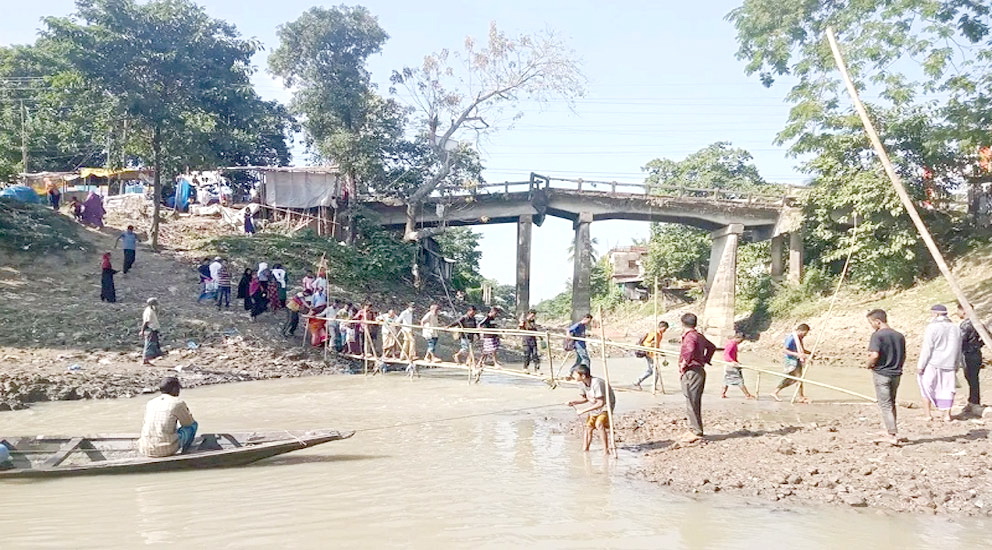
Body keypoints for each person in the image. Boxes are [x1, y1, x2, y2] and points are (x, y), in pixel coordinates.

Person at [866, 309, 905, 445]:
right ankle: (890, 429)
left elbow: (874, 355)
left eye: (871, 323)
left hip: (882, 373)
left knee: (885, 404)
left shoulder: (877, 336)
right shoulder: (899, 336)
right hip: (896, 373)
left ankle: (892, 434)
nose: (871, 326)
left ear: (878, 321)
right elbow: (903, 355)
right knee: (891, 402)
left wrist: (868, 364)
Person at [918, 304, 962, 422]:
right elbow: (959, 348)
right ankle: (947, 415)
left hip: (933, 362)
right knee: (948, 389)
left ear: (936, 314)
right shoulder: (955, 328)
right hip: (950, 363)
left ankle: (928, 414)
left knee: (926, 386)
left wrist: (921, 365)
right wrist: (957, 364)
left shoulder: (932, 327)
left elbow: (927, 348)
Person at [678, 313, 716, 442]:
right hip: (698, 370)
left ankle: (696, 431)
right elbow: (712, 347)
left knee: (691, 401)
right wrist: (705, 359)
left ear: (682, 323)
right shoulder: (699, 336)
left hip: (691, 371)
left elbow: (689, 350)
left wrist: (684, 363)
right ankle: (694, 428)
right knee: (693, 400)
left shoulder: (690, 337)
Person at [138, 377, 198, 458]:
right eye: (178, 388)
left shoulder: (151, 403)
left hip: (145, 448)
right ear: (174, 389)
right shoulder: (177, 403)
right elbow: (188, 423)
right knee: (193, 425)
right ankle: (185, 451)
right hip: (165, 450)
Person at [565, 365, 616, 453]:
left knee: (599, 424)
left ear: (583, 376)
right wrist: (574, 402)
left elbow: (600, 403)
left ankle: (606, 450)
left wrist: (583, 411)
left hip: (606, 405)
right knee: (588, 427)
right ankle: (585, 450)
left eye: (575, 374)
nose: (573, 376)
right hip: (594, 405)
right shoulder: (581, 383)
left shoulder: (597, 383)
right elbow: (585, 399)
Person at [771, 323, 811, 402]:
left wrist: (810, 353)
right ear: (800, 331)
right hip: (791, 360)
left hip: (796, 360)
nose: (805, 335)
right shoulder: (792, 338)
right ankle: (800, 397)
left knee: (794, 379)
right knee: (798, 378)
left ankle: (776, 392)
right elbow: (784, 350)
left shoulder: (799, 338)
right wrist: (798, 354)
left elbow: (801, 349)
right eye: (804, 333)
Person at [957, 302, 984, 415]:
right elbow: (987, 336)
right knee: (973, 378)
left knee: (971, 378)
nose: (957, 313)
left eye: (958, 310)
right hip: (976, 353)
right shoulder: (977, 323)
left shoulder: (966, 325)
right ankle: (973, 400)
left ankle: (974, 401)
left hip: (968, 354)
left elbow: (960, 340)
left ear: (963, 311)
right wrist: (978, 345)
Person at [634, 321, 668, 390]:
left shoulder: (660, 334)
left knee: (650, 371)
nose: (665, 331)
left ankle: (637, 381)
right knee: (656, 372)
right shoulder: (653, 333)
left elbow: (657, 345)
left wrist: (661, 352)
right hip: (649, 354)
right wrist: (651, 344)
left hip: (654, 354)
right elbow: (645, 343)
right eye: (665, 329)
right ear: (662, 327)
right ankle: (653, 386)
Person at [721, 331, 754, 399]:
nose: (741, 342)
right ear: (737, 338)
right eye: (741, 340)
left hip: (730, 364)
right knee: (739, 380)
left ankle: (723, 394)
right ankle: (747, 395)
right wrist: (733, 361)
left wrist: (737, 362)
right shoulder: (731, 344)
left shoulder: (733, 343)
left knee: (727, 379)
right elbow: (726, 355)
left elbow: (732, 355)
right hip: (730, 365)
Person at [140, 298, 163, 366]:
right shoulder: (149, 311)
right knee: (149, 345)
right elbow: (146, 322)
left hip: (153, 329)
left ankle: (148, 359)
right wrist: (142, 331)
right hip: (150, 329)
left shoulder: (151, 310)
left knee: (153, 344)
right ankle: (145, 359)